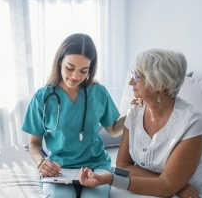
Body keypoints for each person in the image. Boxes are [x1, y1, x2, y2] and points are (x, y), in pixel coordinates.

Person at [79, 48, 202, 198]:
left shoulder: (192, 123)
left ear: (160, 84)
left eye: (137, 77)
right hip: (177, 189)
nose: (131, 82)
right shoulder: (136, 110)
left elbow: (166, 186)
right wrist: (178, 186)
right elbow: (124, 165)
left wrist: (112, 179)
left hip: (196, 193)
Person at [22, 33, 125, 198]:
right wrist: (42, 162)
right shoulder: (42, 97)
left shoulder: (98, 92)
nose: (76, 76)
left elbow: (113, 130)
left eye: (84, 70)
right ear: (59, 62)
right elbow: (34, 144)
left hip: (95, 165)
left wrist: (134, 113)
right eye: (70, 68)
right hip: (59, 167)